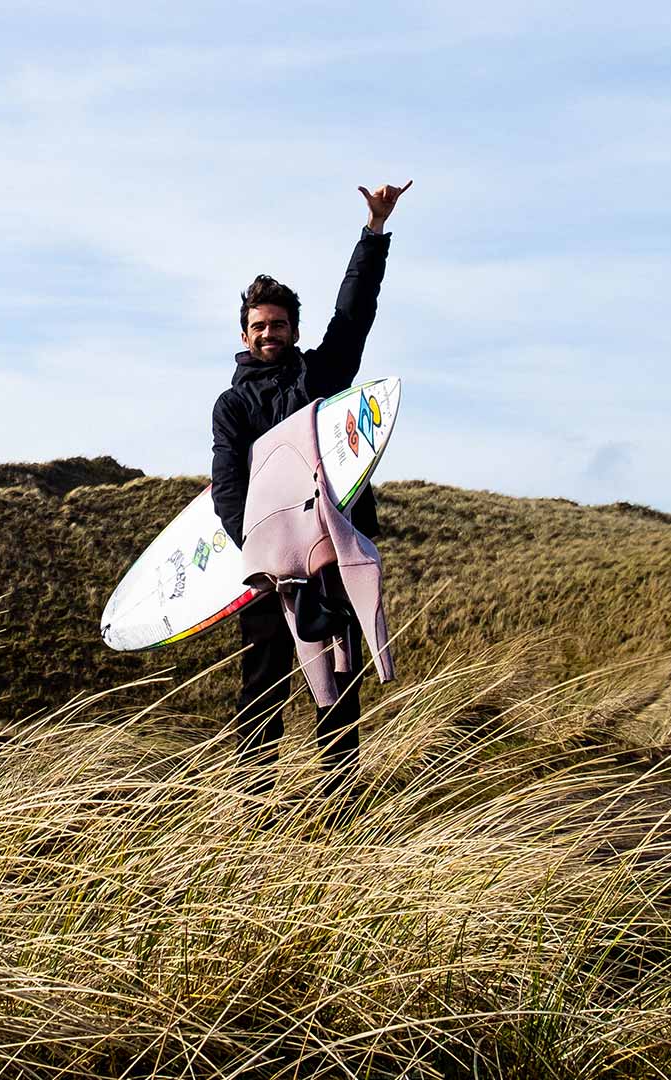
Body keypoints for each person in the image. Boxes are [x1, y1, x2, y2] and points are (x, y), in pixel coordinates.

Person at [209, 181, 412, 793]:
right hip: (271, 569)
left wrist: (373, 233)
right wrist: (264, 557)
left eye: (278, 323)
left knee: (339, 683)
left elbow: (354, 314)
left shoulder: (320, 376)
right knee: (263, 682)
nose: (268, 333)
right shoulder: (233, 406)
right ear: (244, 334)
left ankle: (339, 801)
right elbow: (227, 491)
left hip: (331, 556)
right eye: (257, 325)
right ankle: (253, 809)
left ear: (293, 328)